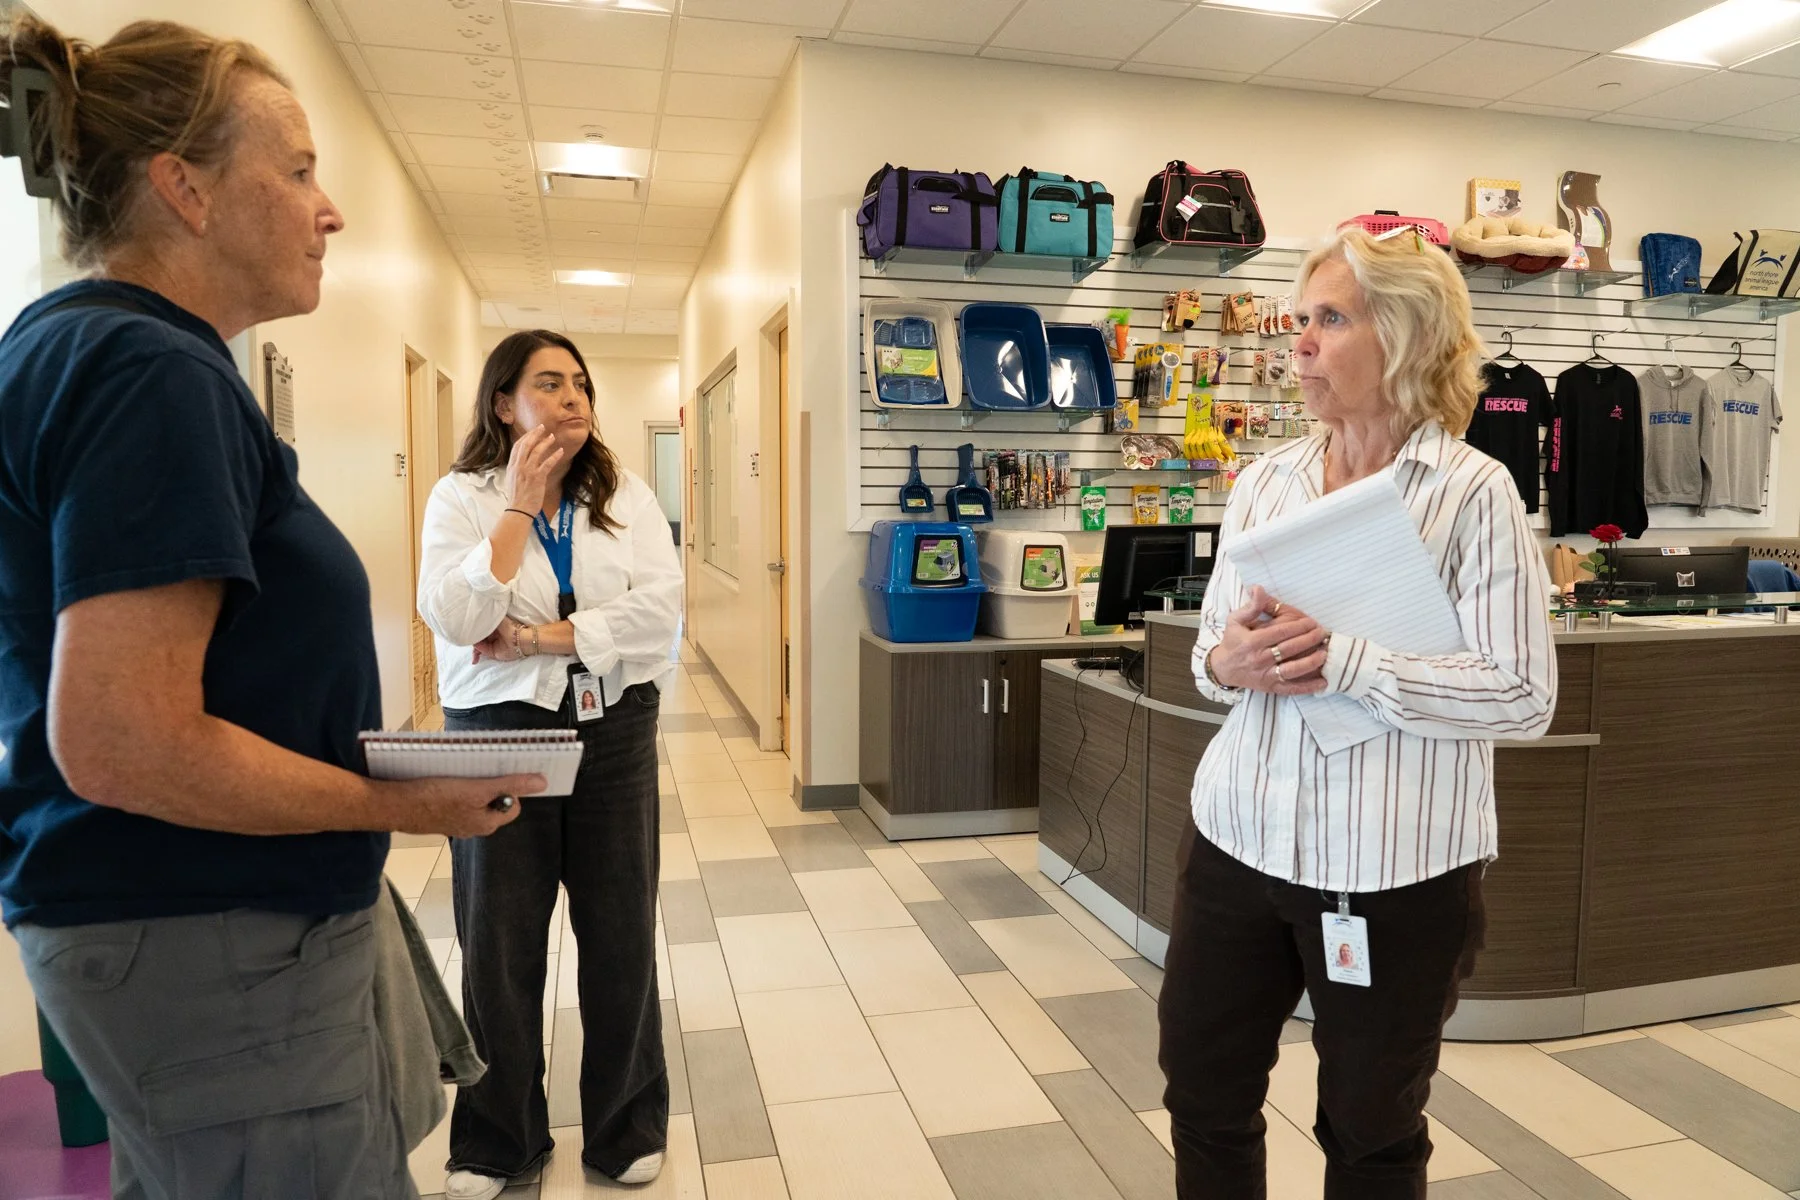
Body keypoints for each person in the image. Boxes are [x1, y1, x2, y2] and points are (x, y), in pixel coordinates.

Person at [0, 15, 538, 1200]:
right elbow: (121, 739)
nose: (327, 208)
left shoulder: (86, 350)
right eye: (295, 171)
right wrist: (394, 804)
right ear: (182, 189)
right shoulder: (148, 374)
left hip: (188, 931)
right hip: (207, 940)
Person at [1160, 225, 1557, 1199]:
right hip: (1238, 842)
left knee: (1371, 1132)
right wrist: (1232, 658)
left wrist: (1349, 662)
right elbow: (1214, 662)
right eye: (1300, 320)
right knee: (1203, 1096)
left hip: (1393, 869)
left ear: (1409, 336)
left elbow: (1522, 693)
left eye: (1328, 319)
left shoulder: (1475, 495)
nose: (1297, 343)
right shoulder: (1264, 484)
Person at [418, 330, 683, 1197]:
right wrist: (521, 507)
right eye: (548, 384)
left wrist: (538, 637)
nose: (573, 400)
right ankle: (497, 1138)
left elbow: (659, 615)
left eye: (581, 385)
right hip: (496, 729)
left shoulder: (627, 495)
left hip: (613, 730)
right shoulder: (460, 498)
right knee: (498, 936)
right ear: (503, 403)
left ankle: (624, 1125)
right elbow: (456, 617)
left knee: (618, 932)